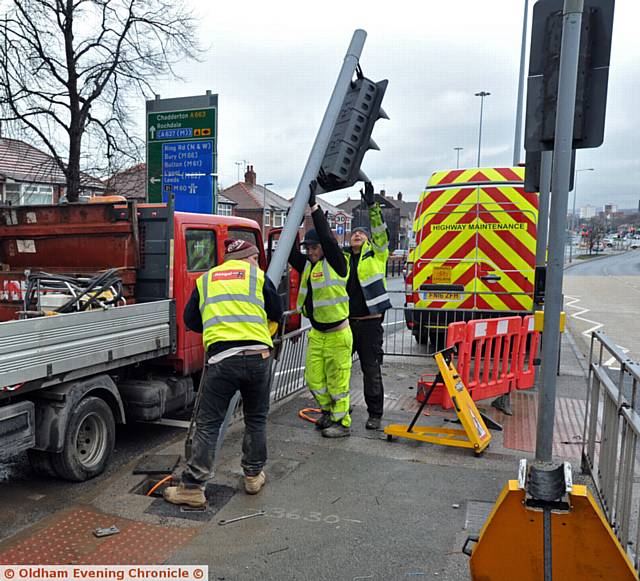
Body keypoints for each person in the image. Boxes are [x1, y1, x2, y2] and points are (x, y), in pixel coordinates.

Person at [163, 238, 283, 508]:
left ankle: (193, 487)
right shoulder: (257, 276)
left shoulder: (207, 280)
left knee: (208, 424)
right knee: (256, 418)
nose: (256, 263)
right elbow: (277, 312)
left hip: (223, 359)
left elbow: (191, 320)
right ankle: (252, 476)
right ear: (249, 257)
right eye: (255, 258)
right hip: (258, 357)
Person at [289, 180, 352, 438]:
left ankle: (343, 421)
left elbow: (327, 237)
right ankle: (327, 413)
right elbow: (290, 253)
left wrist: (314, 207)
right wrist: (293, 216)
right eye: (309, 248)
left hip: (338, 335)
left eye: (314, 248)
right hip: (317, 335)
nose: (311, 252)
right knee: (315, 380)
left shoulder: (337, 262)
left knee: (338, 382)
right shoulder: (309, 265)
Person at [344, 182, 392, 430]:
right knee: (339, 369)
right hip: (345, 324)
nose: (358, 235)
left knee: (371, 370)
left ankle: (375, 414)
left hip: (370, 324)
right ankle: (339, 409)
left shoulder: (377, 253)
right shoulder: (341, 258)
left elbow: (380, 230)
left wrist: (372, 205)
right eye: (354, 233)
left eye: (362, 234)